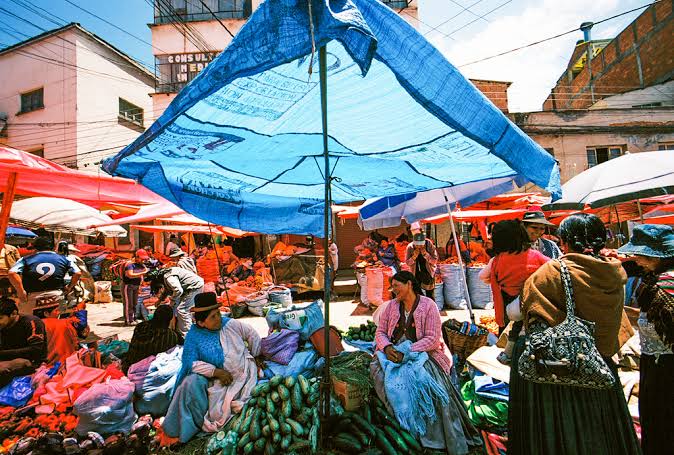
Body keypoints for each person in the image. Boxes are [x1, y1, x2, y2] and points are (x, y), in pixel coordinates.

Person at [508, 213, 640, 455]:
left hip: (561, 372)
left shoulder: (553, 272)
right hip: (599, 369)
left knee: (562, 438)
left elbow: (516, 312)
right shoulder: (613, 274)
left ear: (565, 242)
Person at [370, 272, 482, 454]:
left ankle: (430, 435)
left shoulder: (428, 306)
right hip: (394, 354)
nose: (393, 290)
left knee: (430, 388)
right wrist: (388, 348)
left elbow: (432, 339)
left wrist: (407, 351)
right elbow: (380, 332)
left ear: (409, 284)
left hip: (424, 355)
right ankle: (403, 427)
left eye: (397, 285)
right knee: (379, 374)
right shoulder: (391, 306)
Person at [163, 292, 261, 442]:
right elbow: (190, 363)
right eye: (213, 317)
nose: (219, 319)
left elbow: (252, 334)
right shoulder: (194, 336)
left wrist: (256, 355)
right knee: (215, 410)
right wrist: (216, 372)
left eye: (218, 314)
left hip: (243, 372)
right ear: (201, 323)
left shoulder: (230, 324)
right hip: (218, 380)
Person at [618, 224, 674, 455]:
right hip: (654, 364)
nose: (636, 259)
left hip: (666, 370)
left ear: (655, 256)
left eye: (640, 254)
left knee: (664, 426)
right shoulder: (654, 281)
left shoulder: (663, 289)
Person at [478, 220, 549, 364]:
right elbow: (553, 267)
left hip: (509, 309)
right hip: (534, 308)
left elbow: (482, 276)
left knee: (511, 334)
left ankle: (509, 356)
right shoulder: (536, 256)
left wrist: (497, 280)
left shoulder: (496, 261)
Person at [8, 236, 81, 315]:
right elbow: (77, 273)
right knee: (56, 321)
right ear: (54, 247)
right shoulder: (65, 259)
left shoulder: (26, 259)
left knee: (29, 323)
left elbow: (12, 273)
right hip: (57, 295)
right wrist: (69, 287)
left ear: (35, 248)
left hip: (32, 296)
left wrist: (21, 292)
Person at [122, 304, 184, 372]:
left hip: (131, 364)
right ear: (169, 319)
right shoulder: (171, 335)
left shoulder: (140, 326)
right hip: (148, 370)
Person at [0, 298, 47, 387]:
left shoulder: (32, 322)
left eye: (0, 318)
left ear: (13, 314)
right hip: (8, 362)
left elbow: (36, 350)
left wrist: (3, 356)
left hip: (32, 364)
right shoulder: (3, 327)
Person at [150, 266, 205, 336]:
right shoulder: (166, 275)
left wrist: (172, 300)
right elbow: (169, 290)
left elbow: (178, 290)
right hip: (188, 288)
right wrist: (160, 300)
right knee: (178, 309)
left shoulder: (169, 277)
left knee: (182, 311)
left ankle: (187, 335)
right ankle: (179, 331)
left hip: (194, 287)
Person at [33, 296, 79, 366]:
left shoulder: (32, 326)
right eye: (56, 310)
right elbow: (75, 343)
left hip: (41, 367)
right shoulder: (64, 323)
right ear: (46, 313)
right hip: (66, 364)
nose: (59, 313)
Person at [405, 232, 438, 301]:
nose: (419, 247)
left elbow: (434, 260)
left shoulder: (429, 245)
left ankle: (431, 309)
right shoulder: (410, 247)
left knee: (430, 294)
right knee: (417, 294)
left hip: (428, 272)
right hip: (415, 273)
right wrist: (414, 257)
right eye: (417, 245)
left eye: (421, 245)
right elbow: (408, 263)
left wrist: (426, 254)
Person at [122, 250, 149, 326]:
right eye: (141, 258)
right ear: (137, 257)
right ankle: (128, 320)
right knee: (128, 304)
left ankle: (134, 318)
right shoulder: (130, 265)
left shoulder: (142, 265)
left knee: (135, 303)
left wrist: (141, 285)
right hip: (128, 286)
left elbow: (142, 276)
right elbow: (130, 275)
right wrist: (143, 273)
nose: (143, 260)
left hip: (136, 286)